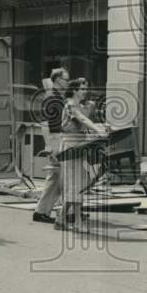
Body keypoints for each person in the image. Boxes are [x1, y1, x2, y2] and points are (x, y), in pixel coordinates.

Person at [56, 77, 108, 233]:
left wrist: (102, 126)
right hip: (70, 147)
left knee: (78, 182)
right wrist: (97, 130)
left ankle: (60, 219)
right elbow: (82, 119)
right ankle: (77, 222)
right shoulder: (70, 105)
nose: (85, 92)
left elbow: (87, 121)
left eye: (86, 88)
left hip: (80, 146)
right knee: (76, 183)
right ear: (74, 90)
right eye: (82, 89)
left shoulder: (83, 105)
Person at [33, 68, 69, 225]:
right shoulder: (52, 97)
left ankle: (46, 210)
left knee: (58, 177)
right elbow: (48, 124)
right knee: (56, 177)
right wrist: (51, 145)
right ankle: (42, 211)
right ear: (58, 80)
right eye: (66, 80)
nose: (68, 83)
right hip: (55, 139)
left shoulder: (56, 97)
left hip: (56, 138)